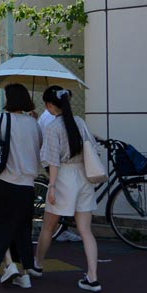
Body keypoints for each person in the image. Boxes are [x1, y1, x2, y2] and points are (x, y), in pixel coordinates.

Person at [36, 87, 103, 292]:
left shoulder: (53, 127)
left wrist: (53, 186)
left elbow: (52, 161)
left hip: (64, 178)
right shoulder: (80, 122)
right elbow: (92, 147)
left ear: (49, 106)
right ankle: (92, 277)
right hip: (83, 177)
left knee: (48, 226)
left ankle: (37, 265)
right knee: (85, 230)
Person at [0, 84, 43, 289]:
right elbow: (39, 147)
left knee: (0, 226)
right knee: (22, 230)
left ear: (9, 98)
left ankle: (9, 265)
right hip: (27, 186)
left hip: (6, 182)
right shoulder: (34, 123)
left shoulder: (1, 119)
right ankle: (24, 274)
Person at [38, 86, 82, 244]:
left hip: (57, 163)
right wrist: (52, 185)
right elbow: (54, 157)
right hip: (58, 164)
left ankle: (38, 263)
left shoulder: (48, 118)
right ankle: (61, 229)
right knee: (59, 199)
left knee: (61, 199)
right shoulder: (53, 120)